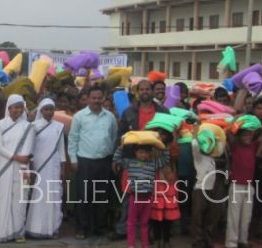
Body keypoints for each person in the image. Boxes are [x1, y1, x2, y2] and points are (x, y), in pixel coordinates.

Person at [114, 80, 169, 240]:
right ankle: (124, 229)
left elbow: (170, 135)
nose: (145, 91)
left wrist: (163, 139)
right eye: (142, 89)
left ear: (152, 91)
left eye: (148, 89)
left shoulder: (163, 111)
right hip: (133, 160)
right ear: (138, 92)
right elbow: (121, 136)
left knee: (152, 197)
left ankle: (150, 232)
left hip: (155, 161)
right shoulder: (129, 112)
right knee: (129, 195)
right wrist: (117, 159)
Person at [68, 86, 119, 240]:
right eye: (94, 98)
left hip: (104, 162)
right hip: (85, 162)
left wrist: (113, 159)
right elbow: (73, 139)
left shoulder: (110, 117)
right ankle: (82, 228)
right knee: (83, 196)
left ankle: (100, 228)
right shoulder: (79, 117)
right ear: (88, 98)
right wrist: (73, 159)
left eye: (99, 98)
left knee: (102, 196)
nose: (96, 101)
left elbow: (114, 138)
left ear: (103, 98)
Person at [0, 94, 34, 243]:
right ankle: (2, 232)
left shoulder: (28, 126)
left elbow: (27, 149)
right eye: (15, 107)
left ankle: (18, 232)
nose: (17, 110)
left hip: (23, 169)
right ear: (8, 108)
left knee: (21, 198)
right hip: (4, 166)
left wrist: (24, 168)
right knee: (4, 197)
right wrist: (15, 157)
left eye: (20, 107)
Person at [25, 98, 67, 239]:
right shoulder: (33, 126)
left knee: (53, 196)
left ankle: (53, 228)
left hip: (54, 165)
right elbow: (30, 148)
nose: (49, 112)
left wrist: (63, 168)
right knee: (39, 196)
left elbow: (61, 149)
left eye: (51, 109)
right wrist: (30, 167)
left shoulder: (59, 127)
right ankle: (35, 228)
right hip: (38, 165)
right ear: (41, 110)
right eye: (46, 109)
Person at [113, 143, 164, 248]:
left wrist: (162, 147)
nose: (143, 155)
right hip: (134, 197)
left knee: (144, 223)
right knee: (131, 222)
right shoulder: (130, 162)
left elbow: (165, 160)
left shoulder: (153, 164)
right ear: (135, 152)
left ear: (149, 154)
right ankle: (131, 244)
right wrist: (121, 147)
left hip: (147, 198)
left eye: (146, 153)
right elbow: (117, 159)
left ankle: (145, 244)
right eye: (140, 152)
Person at [226, 117, 262, 248]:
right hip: (236, 185)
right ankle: (231, 242)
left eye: (250, 134)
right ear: (239, 135)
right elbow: (228, 132)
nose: (248, 136)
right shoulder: (235, 145)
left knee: (246, 217)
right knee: (234, 216)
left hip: (249, 186)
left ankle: (243, 240)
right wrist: (240, 119)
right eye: (245, 134)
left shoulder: (253, 146)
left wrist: (257, 124)